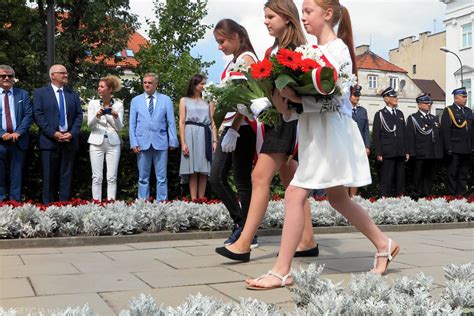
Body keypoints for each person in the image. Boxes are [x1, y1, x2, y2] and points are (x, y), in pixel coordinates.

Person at [245, 0, 399, 290]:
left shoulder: (337, 49)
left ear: (327, 15)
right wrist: (280, 102)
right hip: (315, 133)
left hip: (331, 134)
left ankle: (281, 271)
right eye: (302, 12)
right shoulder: (310, 51)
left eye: (308, 12)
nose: (303, 17)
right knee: (338, 198)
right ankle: (384, 243)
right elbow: (302, 106)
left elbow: (336, 100)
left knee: (294, 194)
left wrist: (296, 98)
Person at [215, 0, 318, 262]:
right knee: (293, 183)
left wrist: (282, 99)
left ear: (286, 17)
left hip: (287, 122)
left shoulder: (295, 49)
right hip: (278, 120)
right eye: (265, 17)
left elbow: (301, 91)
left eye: (271, 16)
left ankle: (244, 243)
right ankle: (307, 241)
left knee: (259, 177)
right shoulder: (276, 49)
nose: (266, 21)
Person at [209, 19, 259, 247]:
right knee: (224, 178)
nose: (220, 46)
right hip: (232, 127)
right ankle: (244, 226)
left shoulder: (246, 59)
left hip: (242, 128)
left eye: (222, 41)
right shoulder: (235, 61)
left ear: (236, 36)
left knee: (233, 179)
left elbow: (246, 99)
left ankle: (246, 229)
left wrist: (235, 129)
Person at [33, 64, 83, 204]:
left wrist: (72, 133)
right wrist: (53, 133)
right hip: (49, 142)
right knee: (48, 177)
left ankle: (64, 206)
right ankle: (48, 207)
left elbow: (79, 116)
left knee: (66, 177)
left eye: (66, 73)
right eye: (62, 73)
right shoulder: (40, 93)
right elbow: (38, 115)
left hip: (69, 142)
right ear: (52, 75)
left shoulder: (72, 94)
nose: (66, 75)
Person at [129, 73, 179, 201]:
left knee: (162, 177)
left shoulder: (166, 100)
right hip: (141, 143)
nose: (146, 85)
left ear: (156, 84)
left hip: (161, 142)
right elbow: (132, 124)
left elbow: (171, 122)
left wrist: (173, 141)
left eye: (149, 83)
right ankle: (142, 202)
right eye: (145, 82)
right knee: (143, 177)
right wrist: (133, 142)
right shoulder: (136, 100)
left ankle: (161, 203)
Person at [179, 74, 218, 200]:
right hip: (190, 134)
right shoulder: (184, 100)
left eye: (204, 84)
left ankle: (202, 199)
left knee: (203, 169)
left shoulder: (208, 101)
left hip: (205, 134)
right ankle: (193, 199)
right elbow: (181, 122)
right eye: (201, 83)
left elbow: (212, 122)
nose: (203, 86)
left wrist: (215, 140)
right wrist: (183, 142)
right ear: (195, 85)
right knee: (193, 170)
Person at [87, 75, 124, 201]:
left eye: (102, 87)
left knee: (111, 177)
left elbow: (119, 128)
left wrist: (114, 116)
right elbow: (90, 125)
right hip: (96, 141)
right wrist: (97, 115)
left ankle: (111, 203)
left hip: (113, 143)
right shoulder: (93, 103)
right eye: (99, 86)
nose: (99, 89)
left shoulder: (118, 105)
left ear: (110, 90)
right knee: (97, 177)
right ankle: (96, 202)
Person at [0, 65, 33, 201]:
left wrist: (18, 132)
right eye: (3, 76)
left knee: (17, 175)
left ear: (14, 78)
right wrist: (2, 133)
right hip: (0, 141)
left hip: (18, 140)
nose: (7, 78)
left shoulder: (23, 94)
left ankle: (15, 203)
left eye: (10, 76)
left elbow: (29, 115)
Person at [372, 87, 409, 197]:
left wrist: (406, 151)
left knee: (400, 178)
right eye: (393, 97)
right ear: (386, 99)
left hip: (400, 151)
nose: (396, 98)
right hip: (387, 152)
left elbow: (404, 134)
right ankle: (385, 198)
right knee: (387, 178)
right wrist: (378, 152)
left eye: (396, 96)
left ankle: (400, 197)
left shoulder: (400, 113)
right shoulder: (380, 114)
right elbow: (376, 135)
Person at [406, 94, 443, 198]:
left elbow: (438, 136)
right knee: (417, 175)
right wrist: (411, 152)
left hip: (432, 152)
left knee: (429, 175)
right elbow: (410, 136)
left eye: (430, 103)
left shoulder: (434, 118)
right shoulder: (413, 118)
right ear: (419, 105)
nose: (429, 105)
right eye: (426, 103)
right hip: (420, 152)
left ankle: (427, 194)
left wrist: (439, 152)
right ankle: (415, 195)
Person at [440, 87, 472, 196]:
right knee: (452, 173)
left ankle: (461, 195)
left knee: (463, 174)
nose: (465, 99)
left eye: (466, 97)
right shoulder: (449, 110)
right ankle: (452, 195)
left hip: (466, 148)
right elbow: (445, 131)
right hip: (454, 148)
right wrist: (448, 148)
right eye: (463, 97)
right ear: (456, 98)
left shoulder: (468, 111)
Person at [348, 84, 370, 197]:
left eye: (358, 95)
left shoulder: (362, 111)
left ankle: (352, 197)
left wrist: (367, 146)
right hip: (346, 145)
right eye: (355, 95)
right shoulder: (344, 110)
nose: (357, 97)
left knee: (356, 172)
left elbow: (366, 129)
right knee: (346, 171)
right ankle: (343, 197)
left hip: (359, 146)